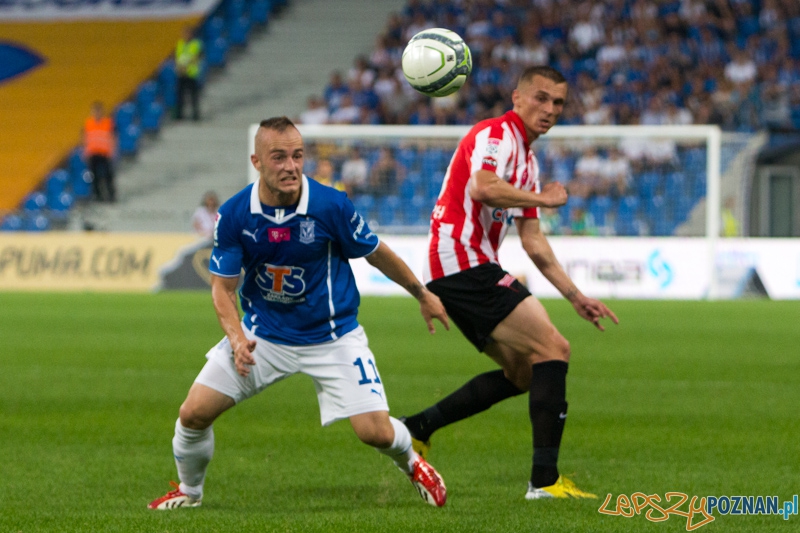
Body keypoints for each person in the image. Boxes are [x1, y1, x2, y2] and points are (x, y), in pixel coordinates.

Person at [148, 117, 449, 510]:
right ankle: (189, 492)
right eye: (279, 157)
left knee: (375, 433)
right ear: (257, 161)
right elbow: (222, 288)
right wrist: (238, 339)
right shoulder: (235, 215)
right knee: (193, 413)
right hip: (264, 337)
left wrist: (421, 293)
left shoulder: (330, 205)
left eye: (297, 156)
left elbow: (376, 253)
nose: (291, 166)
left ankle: (412, 462)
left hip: (333, 336)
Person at [400, 66, 618, 500]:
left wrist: (575, 296)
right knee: (554, 349)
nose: (550, 109)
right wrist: (544, 199)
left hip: (462, 270)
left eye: (558, 103)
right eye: (540, 98)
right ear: (516, 97)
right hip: (462, 263)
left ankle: (417, 428)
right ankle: (544, 482)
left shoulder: (529, 161)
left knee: (522, 373)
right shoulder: (496, 135)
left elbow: (533, 242)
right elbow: (482, 188)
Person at [83, 101, 116, 203]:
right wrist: (86, 152)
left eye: (98, 110)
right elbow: (86, 138)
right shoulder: (88, 123)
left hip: (104, 153)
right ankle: (98, 196)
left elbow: (113, 137)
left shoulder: (108, 122)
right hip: (93, 153)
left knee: (107, 175)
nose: (96, 113)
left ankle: (111, 195)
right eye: (95, 110)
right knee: (94, 177)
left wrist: (112, 151)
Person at [175, 26, 203, 121]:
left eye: (187, 33)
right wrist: (179, 68)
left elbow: (197, 56)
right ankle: (179, 115)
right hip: (181, 74)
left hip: (191, 74)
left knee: (193, 96)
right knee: (180, 96)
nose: (185, 35)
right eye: (184, 33)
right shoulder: (180, 43)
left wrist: (185, 67)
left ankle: (195, 115)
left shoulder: (196, 44)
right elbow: (177, 57)